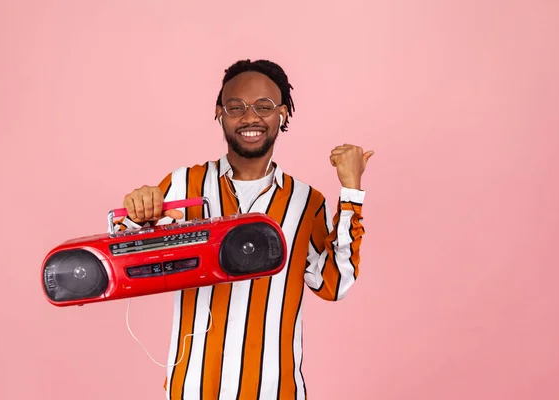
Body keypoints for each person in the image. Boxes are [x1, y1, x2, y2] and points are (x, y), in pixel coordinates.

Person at [114, 59, 373, 400]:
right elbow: (122, 259)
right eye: (236, 107)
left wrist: (351, 190)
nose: (250, 118)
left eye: (263, 107)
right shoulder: (183, 185)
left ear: (282, 114)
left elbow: (335, 284)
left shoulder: (306, 202)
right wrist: (138, 210)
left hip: (275, 391)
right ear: (219, 112)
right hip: (194, 390)